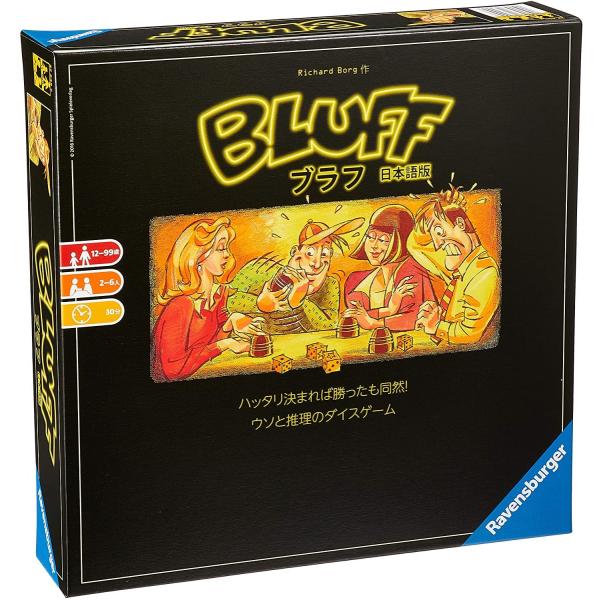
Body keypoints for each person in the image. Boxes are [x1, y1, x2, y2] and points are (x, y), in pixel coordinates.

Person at [151, 217, 264, 381]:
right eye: (220, 248)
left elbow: (210, 345)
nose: (227, 254)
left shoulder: (219, 294)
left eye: (226, 248)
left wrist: (230, 322)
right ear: (198, 256)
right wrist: (226, 344)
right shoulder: (180, 305)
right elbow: (173, 370)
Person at [227, 218, 364, 334]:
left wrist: (300, 301)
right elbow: (227, 300)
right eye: (310, 253)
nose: (317, 264)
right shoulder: (262, 271)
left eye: (324, 254)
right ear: (295, 252)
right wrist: (261, 304)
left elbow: (330, 325)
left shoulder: (330, 284)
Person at [412, 187, 500, 344]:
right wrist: (437, 316)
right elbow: (413, 245)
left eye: (440, 233)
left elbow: (470, 334)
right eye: (433, 239)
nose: (437, 245)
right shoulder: (463, 269)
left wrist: (436, 326)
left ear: (460, 223)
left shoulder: (484, 274)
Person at [343, 204, 436, 331]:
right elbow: (354, 316)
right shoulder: (354, 281)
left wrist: (375, 323)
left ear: (400, 242)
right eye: (371, 237)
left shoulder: (413, 272)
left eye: (383, 240)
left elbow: (415, 318)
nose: (374, 246)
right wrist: (389, 310)